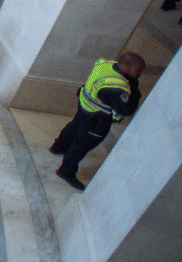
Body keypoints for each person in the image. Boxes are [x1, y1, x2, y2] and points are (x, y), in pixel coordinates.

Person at [50, 52, 144, 191]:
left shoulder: (105, 64)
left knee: (74, 126)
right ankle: (65, 171)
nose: (140, 74)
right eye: (138, 70)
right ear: (124, 66)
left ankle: (58, 148)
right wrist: (135, 93)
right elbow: (126, 110)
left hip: (85, 106)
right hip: (97, 120)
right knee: (80, 146)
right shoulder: (117, 87)